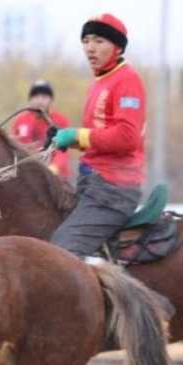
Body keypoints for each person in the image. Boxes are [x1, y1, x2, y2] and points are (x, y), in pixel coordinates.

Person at [49, 14, 146, 265]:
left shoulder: (127, 80)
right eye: (86, 40)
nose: (90, 48)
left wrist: (77, 135)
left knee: (60, 255)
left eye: (99, 41)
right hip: (91, 183)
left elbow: (127, 137)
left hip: (112, 190)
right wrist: (70, 140)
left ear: (118, 47)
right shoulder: (101, 80)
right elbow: (102, 135)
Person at [11, 79, 73, 178]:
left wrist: (54, 168)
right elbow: (18, 149)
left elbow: (63, 151)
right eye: (36, 96)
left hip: (56, 176)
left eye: (44, 97)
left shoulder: (60, 120)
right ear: (30, 99)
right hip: (28, 175)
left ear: (51, 100)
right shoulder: (20, 121)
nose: (40, 100)